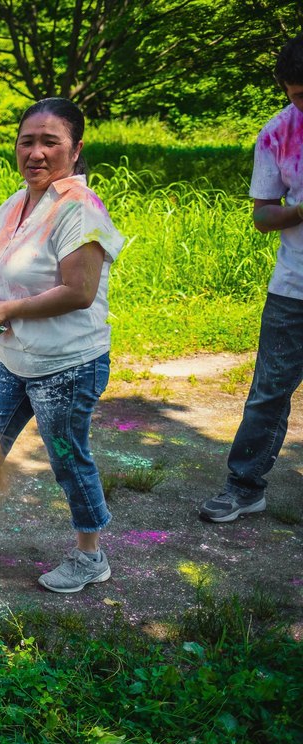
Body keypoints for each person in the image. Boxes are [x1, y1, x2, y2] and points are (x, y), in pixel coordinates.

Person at [0, 97, 125, 592]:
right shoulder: (18, 202)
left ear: (75, 150)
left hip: (68, 364)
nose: (36, 152)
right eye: (27, 141)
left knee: (68, 458)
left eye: (50, 141)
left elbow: (79, 290)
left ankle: (91, 555)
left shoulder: (80, 209)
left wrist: (5, 310)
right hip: (17, 357)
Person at [199, 36, 303, 523]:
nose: (302, 104)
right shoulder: (277, 133)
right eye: (297, 94)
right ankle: (243, 486)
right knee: (269, 391)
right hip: (293, 289)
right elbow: (263, 216)